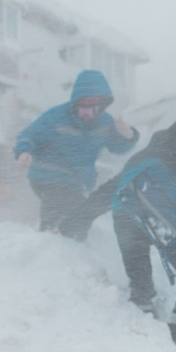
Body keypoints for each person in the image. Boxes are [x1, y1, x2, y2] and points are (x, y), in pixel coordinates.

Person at [59, 118, 176, 352]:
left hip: (126, 217)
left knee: (142, 289)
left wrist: (72, 224)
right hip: (160, 216)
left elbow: (106, 192)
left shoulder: (139, 160)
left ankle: (143, 334)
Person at [14, 69, 139, 231]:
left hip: (76, 183)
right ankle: (50, 235)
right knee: (65, 208)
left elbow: (118, 147)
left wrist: (129, 136)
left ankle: (64, 241)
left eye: (91, 108)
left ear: (100, 106)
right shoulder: (56, 117)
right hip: (47, 176)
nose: (86, 114)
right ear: (75, 103)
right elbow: (29, 135)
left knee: (81, 215)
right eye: (82, 108)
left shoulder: (105, 123)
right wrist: (24, 151)